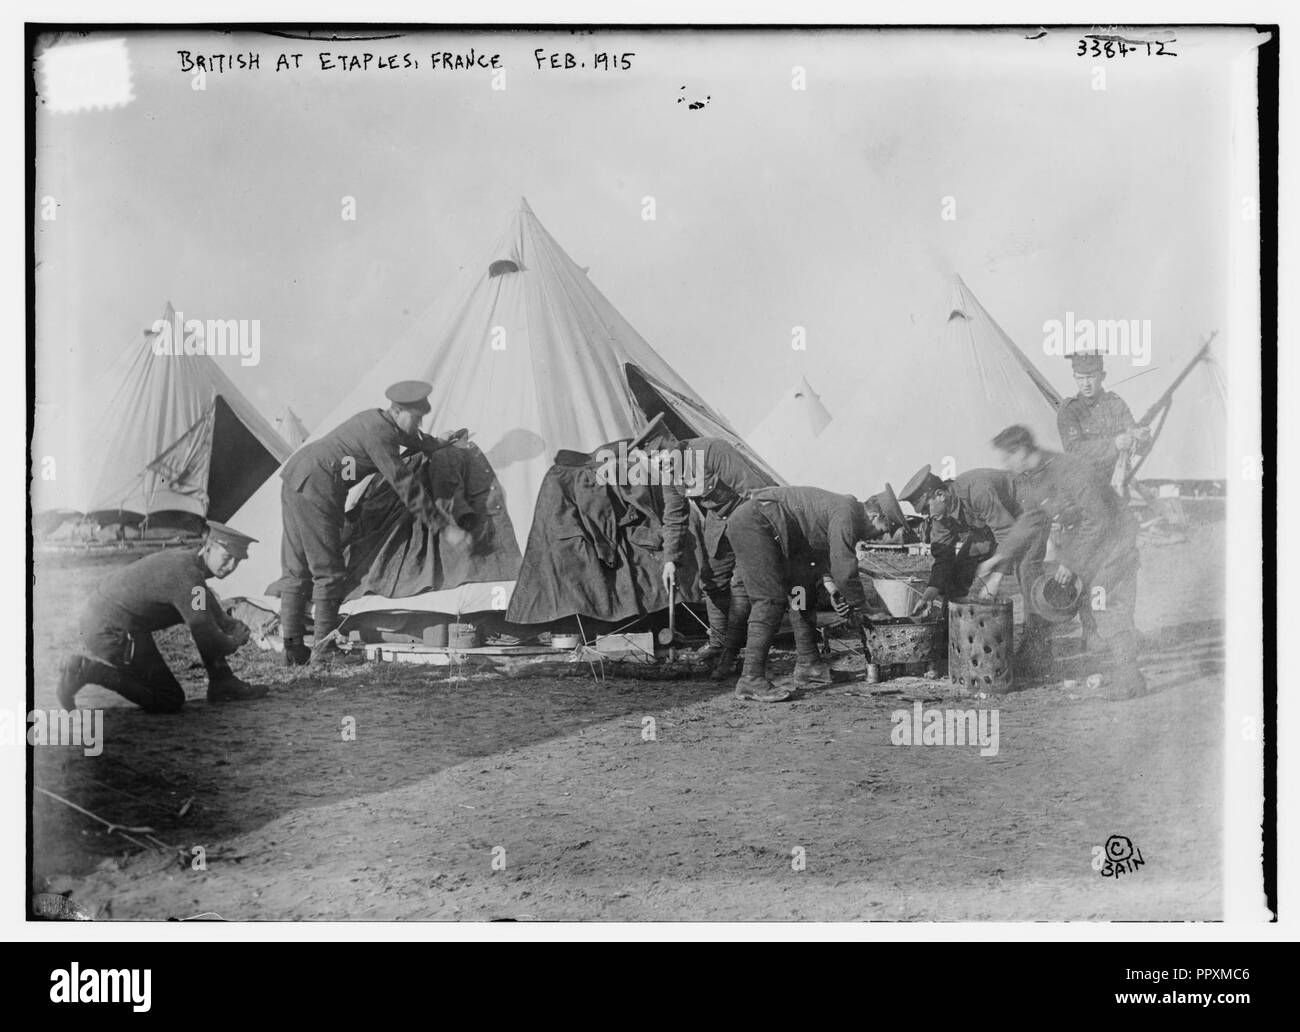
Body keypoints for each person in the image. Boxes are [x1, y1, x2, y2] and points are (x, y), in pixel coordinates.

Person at [274, 381, 469, 665]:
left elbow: (412, 438)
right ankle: (324, 650)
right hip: (318, 486)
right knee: (328, 573)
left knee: (295, 569)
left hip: (296, 476)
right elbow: (405, 485)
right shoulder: (380, 433)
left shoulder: (377, 420)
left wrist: (437, 442)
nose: (418, 423)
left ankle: (292, 649)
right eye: (415, 417)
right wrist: (443, 525)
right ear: (398, 409)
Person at [975, 425, 1145, 698]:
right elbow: (1031, 518)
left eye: (1008, 457)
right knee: (1094, 610)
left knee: (1104, 605)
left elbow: (1099, 520)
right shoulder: (1033, 478)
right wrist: (999, 556)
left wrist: (1071, 562)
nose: (1005, 464)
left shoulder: (1070, 469)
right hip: (1089, 543)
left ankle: (1131, 680)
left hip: (1115, 541)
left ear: (1021, 451)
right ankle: (1117, 668)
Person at [57, 522, 268, 712]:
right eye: (227, 557)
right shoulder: (188, 576)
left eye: (237, 561)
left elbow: (204, 603)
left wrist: (227, 623)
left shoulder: (189, 563)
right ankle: (86, 671)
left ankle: (222, 681)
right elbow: (207, 636)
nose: (231, 566)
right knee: (169, 698)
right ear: (209, 546)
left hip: (114, 620)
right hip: (108, 630)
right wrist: (234, 640)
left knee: (202, 621)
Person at [716, 486, 871, 703]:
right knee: (769, 600)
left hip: (775, 530)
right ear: (875, 515)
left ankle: (809, 664)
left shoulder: (841, 509)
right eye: (883, 529)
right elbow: (843, 565)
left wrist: (833, 590)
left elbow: (819, 554)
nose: (881, 535)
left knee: (802, 594)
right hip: (756, 525)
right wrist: (859, 606)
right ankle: (750, 679)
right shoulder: (847, 513)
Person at [899, 463, 1052, 673]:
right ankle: (948, 642)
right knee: (958, 572)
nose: (927, 515)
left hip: (1028, 513)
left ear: (940, 495)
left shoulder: (975, 489)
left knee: (1027, 572)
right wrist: (929, 593)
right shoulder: (940, 517)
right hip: (992, 528)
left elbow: (1006, 533)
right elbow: (943, 557)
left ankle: (1038, 649)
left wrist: (996, 577)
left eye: (926, 508)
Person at [650, 420, 772, 663]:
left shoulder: (713, 450)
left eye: (663, 453)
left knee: (743, 583)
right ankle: (718, 643)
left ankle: (740, 648)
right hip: (719, 521)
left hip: (748, 513)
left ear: (675, 444)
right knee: (711, 580)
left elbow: (754, 492)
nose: (660, 461)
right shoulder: (670, 475)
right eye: (653, 458)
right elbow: (674, 517)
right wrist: (670, 560)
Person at [1057, 351, 1152, 484]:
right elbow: (1073, 449)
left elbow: (1139, 447)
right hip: (1086, 485)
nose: (1085, 384)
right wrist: (1114, 444)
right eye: (1080, 378)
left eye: (1090, 377)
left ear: (1102, 376)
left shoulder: (1115, 403)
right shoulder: (1069, 410)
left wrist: (1143, 438)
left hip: (1119, 482)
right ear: (1074, 377)